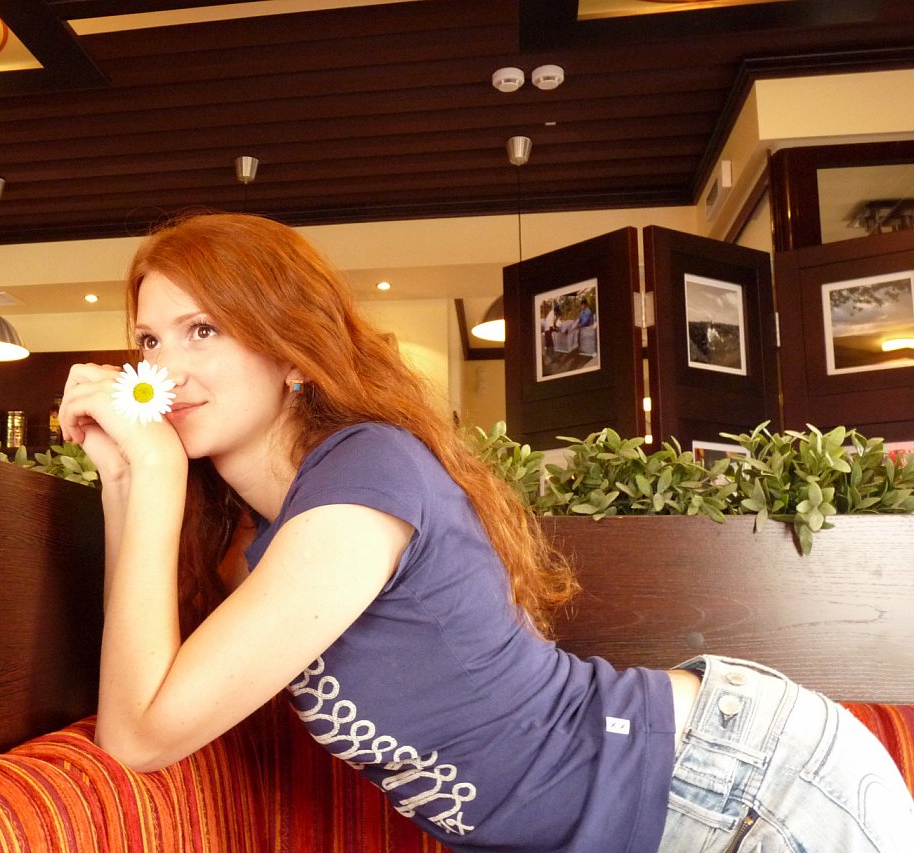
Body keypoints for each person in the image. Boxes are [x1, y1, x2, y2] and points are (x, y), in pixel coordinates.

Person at [58, 212, 914, 852]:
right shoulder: (261, 538)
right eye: (149, 340)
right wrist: (127, 477)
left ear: (290, 349)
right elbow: (141, 707)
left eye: (203, 330)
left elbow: (140, 733)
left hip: (743, 792)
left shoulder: (364, 478)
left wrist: (156, 473)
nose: (163, 369)